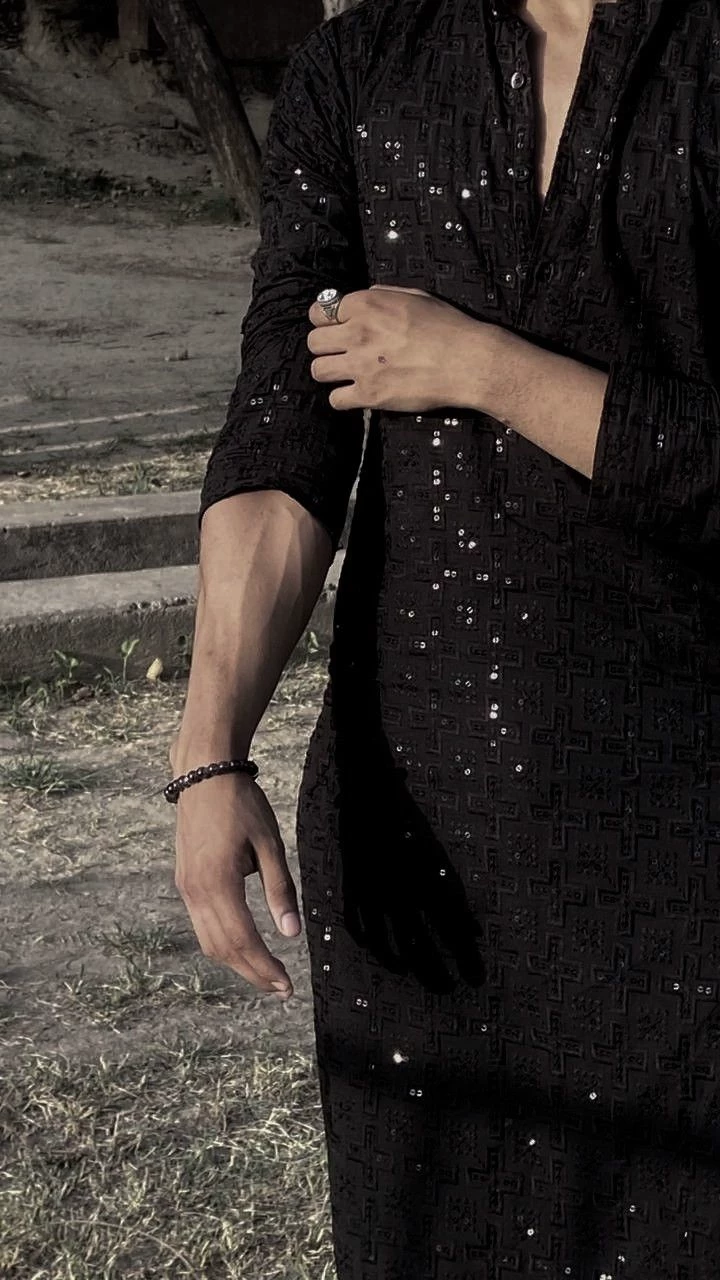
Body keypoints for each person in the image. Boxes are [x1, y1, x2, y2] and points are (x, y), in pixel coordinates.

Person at [168, 0, 720, 1274]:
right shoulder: (361, 69)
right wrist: (210, 746)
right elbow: (283, 430)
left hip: (685, 840)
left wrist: (490, 370)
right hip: (419, 839)